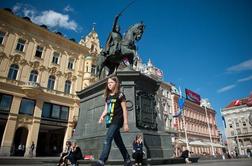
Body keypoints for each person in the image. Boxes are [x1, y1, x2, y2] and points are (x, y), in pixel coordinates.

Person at [96, 76, 132, 166]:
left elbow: (124, 109)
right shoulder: (107, 97)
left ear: (116, 83)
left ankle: (101, 160)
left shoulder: (120, 95)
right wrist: (101, 117)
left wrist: (126, 123)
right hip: (110, 120)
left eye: (111, 83)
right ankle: (127, 160)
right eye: (108, 83)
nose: (109, 85)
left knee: (108, 138)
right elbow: (106, 109)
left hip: (118, 119)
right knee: (118, 142)